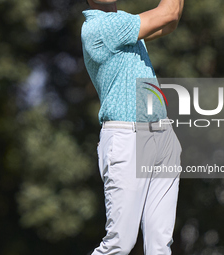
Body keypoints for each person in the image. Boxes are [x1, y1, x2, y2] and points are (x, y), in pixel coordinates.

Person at [81, 0, 184, 254]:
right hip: (127, 137)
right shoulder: (101, 27)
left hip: (162, 134)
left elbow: (170, 21)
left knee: (160, 245)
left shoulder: (124, 20)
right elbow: (168, 12)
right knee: (119, 244)